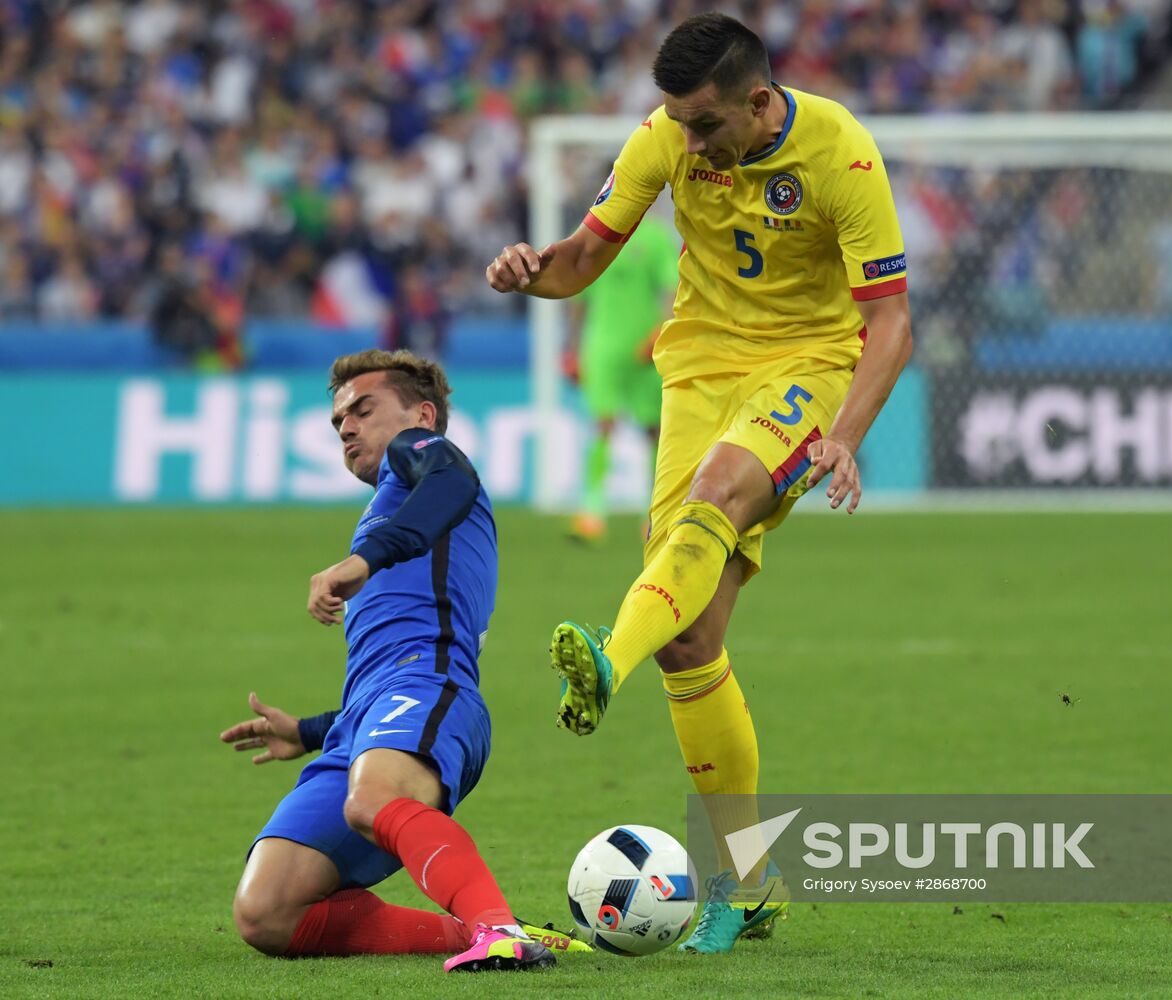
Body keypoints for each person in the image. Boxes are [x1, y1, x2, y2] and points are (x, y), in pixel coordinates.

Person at [485, 13, 913, 954]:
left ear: (759, 102)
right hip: (695, 374)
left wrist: (844, 436)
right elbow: (583, 258)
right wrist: (531, 272)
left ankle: (606, 657)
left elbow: (888, 323)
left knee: (716, 496)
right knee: (694, 642)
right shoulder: (663, 136)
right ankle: (748, 886)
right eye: (675, 121)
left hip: (808, 366)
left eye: (703, 124)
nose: (686, 140)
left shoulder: (839, 151)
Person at [221, 349, 580, 973]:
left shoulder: (427, 458)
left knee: (373, 798)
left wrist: (361, 561)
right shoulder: (393, 505)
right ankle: (479, 926)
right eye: (338, 422)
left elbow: (452, 481)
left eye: (363, 409)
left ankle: (497, 933)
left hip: (430, 685)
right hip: (363, 718)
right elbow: (380, 672)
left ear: (422, 413)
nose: (347, 428)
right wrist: (308, 731)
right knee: (266, 912)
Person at [566, 208, 679, 543]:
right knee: (603, 424)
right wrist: (571, 348)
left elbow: (672, 288)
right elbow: (577, 293)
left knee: (655, 430)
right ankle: (592, 511)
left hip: (645, 348)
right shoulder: (591, 233)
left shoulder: (655, 236)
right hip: (601, 347)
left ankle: (654, 512)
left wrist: (662, 330)